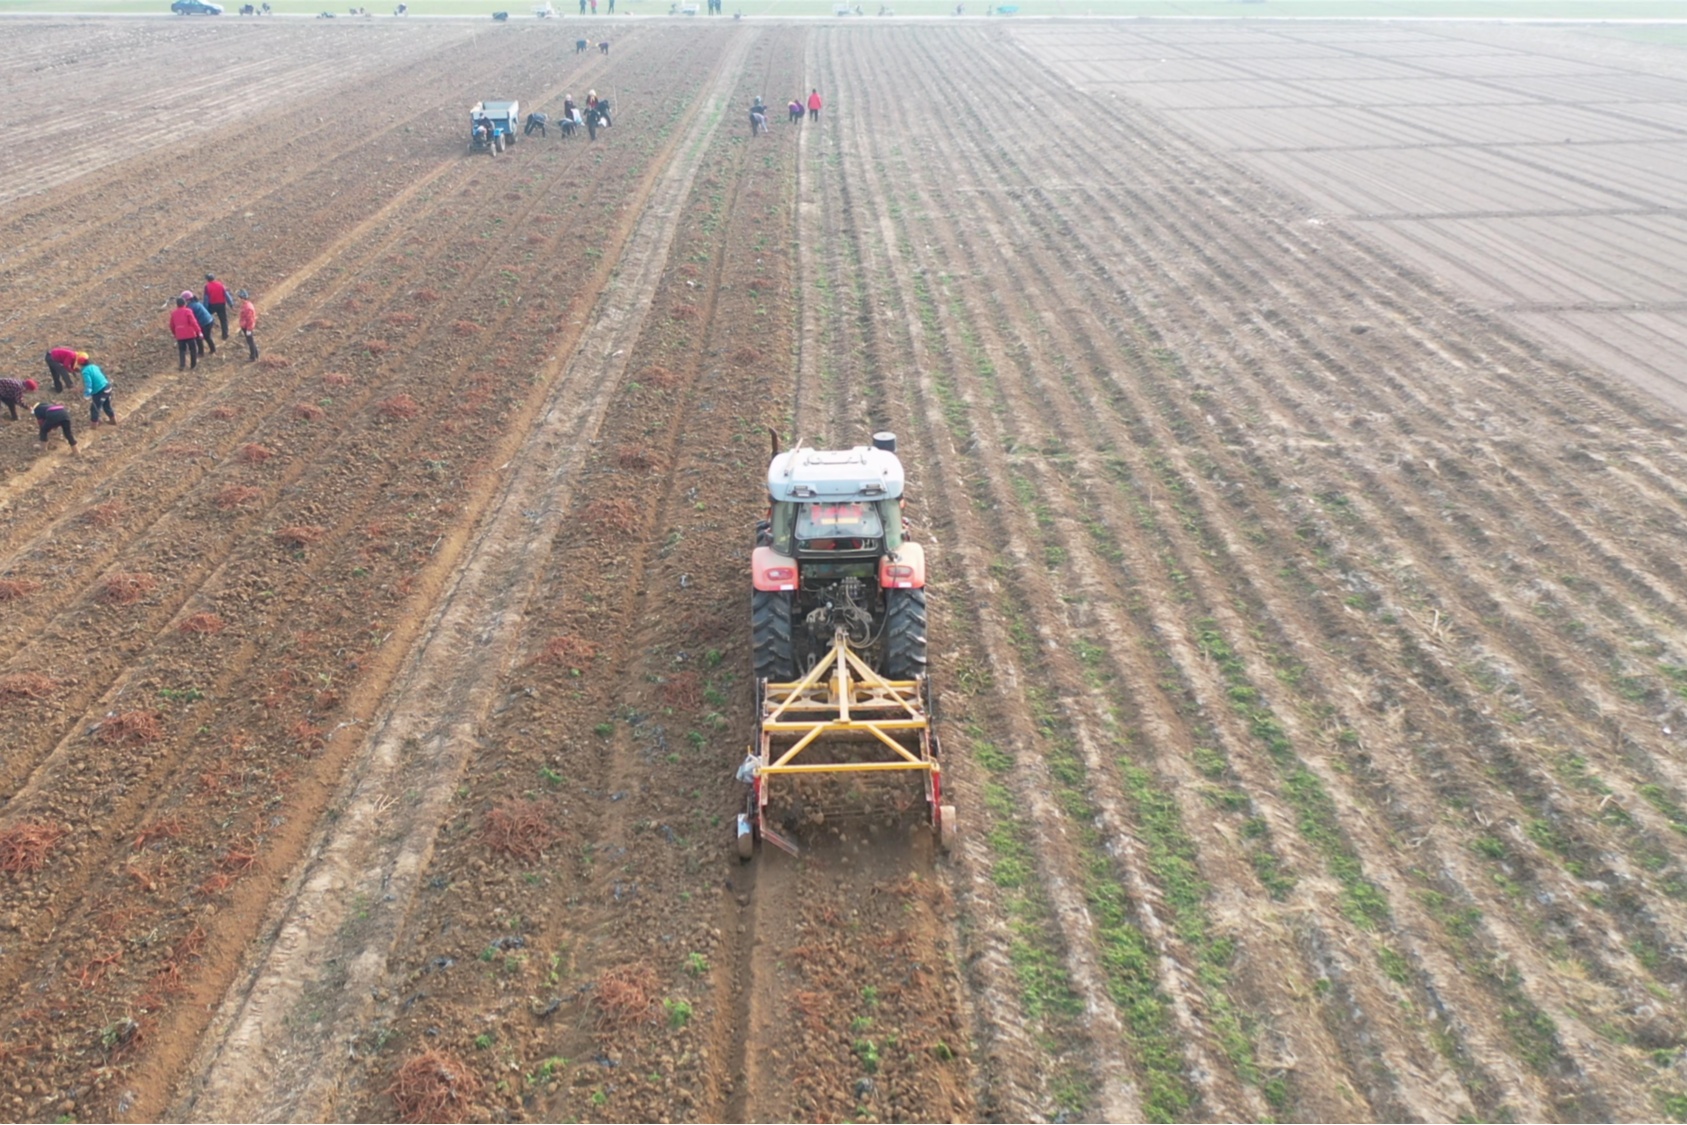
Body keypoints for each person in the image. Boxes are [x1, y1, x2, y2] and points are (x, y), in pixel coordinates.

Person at [171, 296, 202, 370]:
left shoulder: (174, 313)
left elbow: (172, 325)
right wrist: (199, 331)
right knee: (193, 349)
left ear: (177, 304)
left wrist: (175, 333)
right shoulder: (188, 311)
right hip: (189, 334)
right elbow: (193, 322)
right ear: (184, 303)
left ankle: (182, 365)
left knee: (182, 350)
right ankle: (193, 365)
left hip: (180, 335)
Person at [82, 363, 116, 428]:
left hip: (100, 391)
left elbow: (88, 383)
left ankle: (94, 425)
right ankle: (113, 420)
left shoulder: (85, 372)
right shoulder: (94, 366)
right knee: (106, 405)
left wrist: (87, 394)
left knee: (95, 408)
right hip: (107, 386)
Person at [186, 290, 217, 355]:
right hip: (209, 320)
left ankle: (201, 352)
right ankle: (212, 349)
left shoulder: (190, 307)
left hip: (205, 322)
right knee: (207, 337)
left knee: (200, 337)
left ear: (187, 300)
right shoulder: (196, 302)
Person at [204, 273, 231, 339]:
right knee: (223, 320)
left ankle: (207, 335)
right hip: (221, 304)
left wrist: (205, 309)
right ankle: (225, 335)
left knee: (207, 319)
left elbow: (206, 299)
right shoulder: (220, 284)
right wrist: (231, 303)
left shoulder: (207, 287)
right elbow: (226, 294)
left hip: (212, 305)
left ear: (207, 279)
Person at [238, 289, 259, 361]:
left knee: (250, 342)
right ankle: (256, 354)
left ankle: (252, 357)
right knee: (251, 341)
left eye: (239, 298)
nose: (239, 299)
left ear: (242, 298)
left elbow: (250, 320)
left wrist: (249, 330)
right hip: (245, 326)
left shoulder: (248, 308)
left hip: (247, 327)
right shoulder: (246, 305)